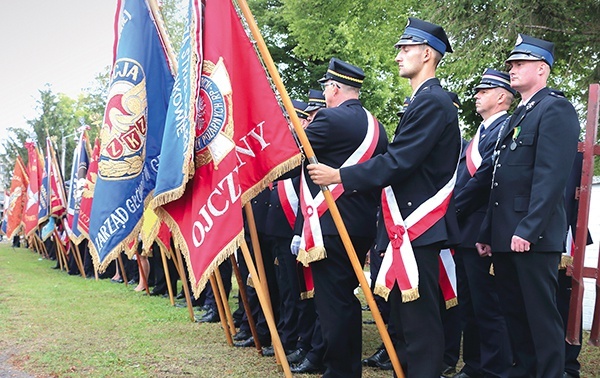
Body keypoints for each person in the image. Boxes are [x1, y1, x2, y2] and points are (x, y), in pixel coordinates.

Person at [308, 18, 460, 377]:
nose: (398, 57)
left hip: (417, 226)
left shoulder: (434, 102)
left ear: (427, 54)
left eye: (405, 49)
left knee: (420, 323)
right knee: (405, 321)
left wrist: (339, 175)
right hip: (402, 227)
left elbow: (400, 161)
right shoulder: (421, 100)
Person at [475, 34, 580, 377]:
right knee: (515, 314)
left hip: (531, 237)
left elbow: (550, 179)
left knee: (540, 317)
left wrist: (529, 229)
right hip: (507, 234)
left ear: (541, 68)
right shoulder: (521, 113)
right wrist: (488, 230)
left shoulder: (556, 109)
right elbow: (500, 180)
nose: (512, 69)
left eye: (520, 64)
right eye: (511, 64)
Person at [295, 57, 388, 377]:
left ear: (334, 88)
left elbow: (293, 157)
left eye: (326, 87)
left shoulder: (330, 120)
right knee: (345, 301)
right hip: (361, 225)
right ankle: (345, 368)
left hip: (331, 226)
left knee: (333, 305)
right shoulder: (377, 126)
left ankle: (341, 372)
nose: (326, 92)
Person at [452, 69, 515, 378]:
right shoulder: (481, 132)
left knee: (488, 307)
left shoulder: (505, 129)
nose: (477, 95)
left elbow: (483, 179)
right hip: (465, 230)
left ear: (502, 96)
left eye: (484, 90)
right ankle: (474, 364)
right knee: (470, 306)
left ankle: (495, 369)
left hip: (482, 229)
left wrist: (452, 210)